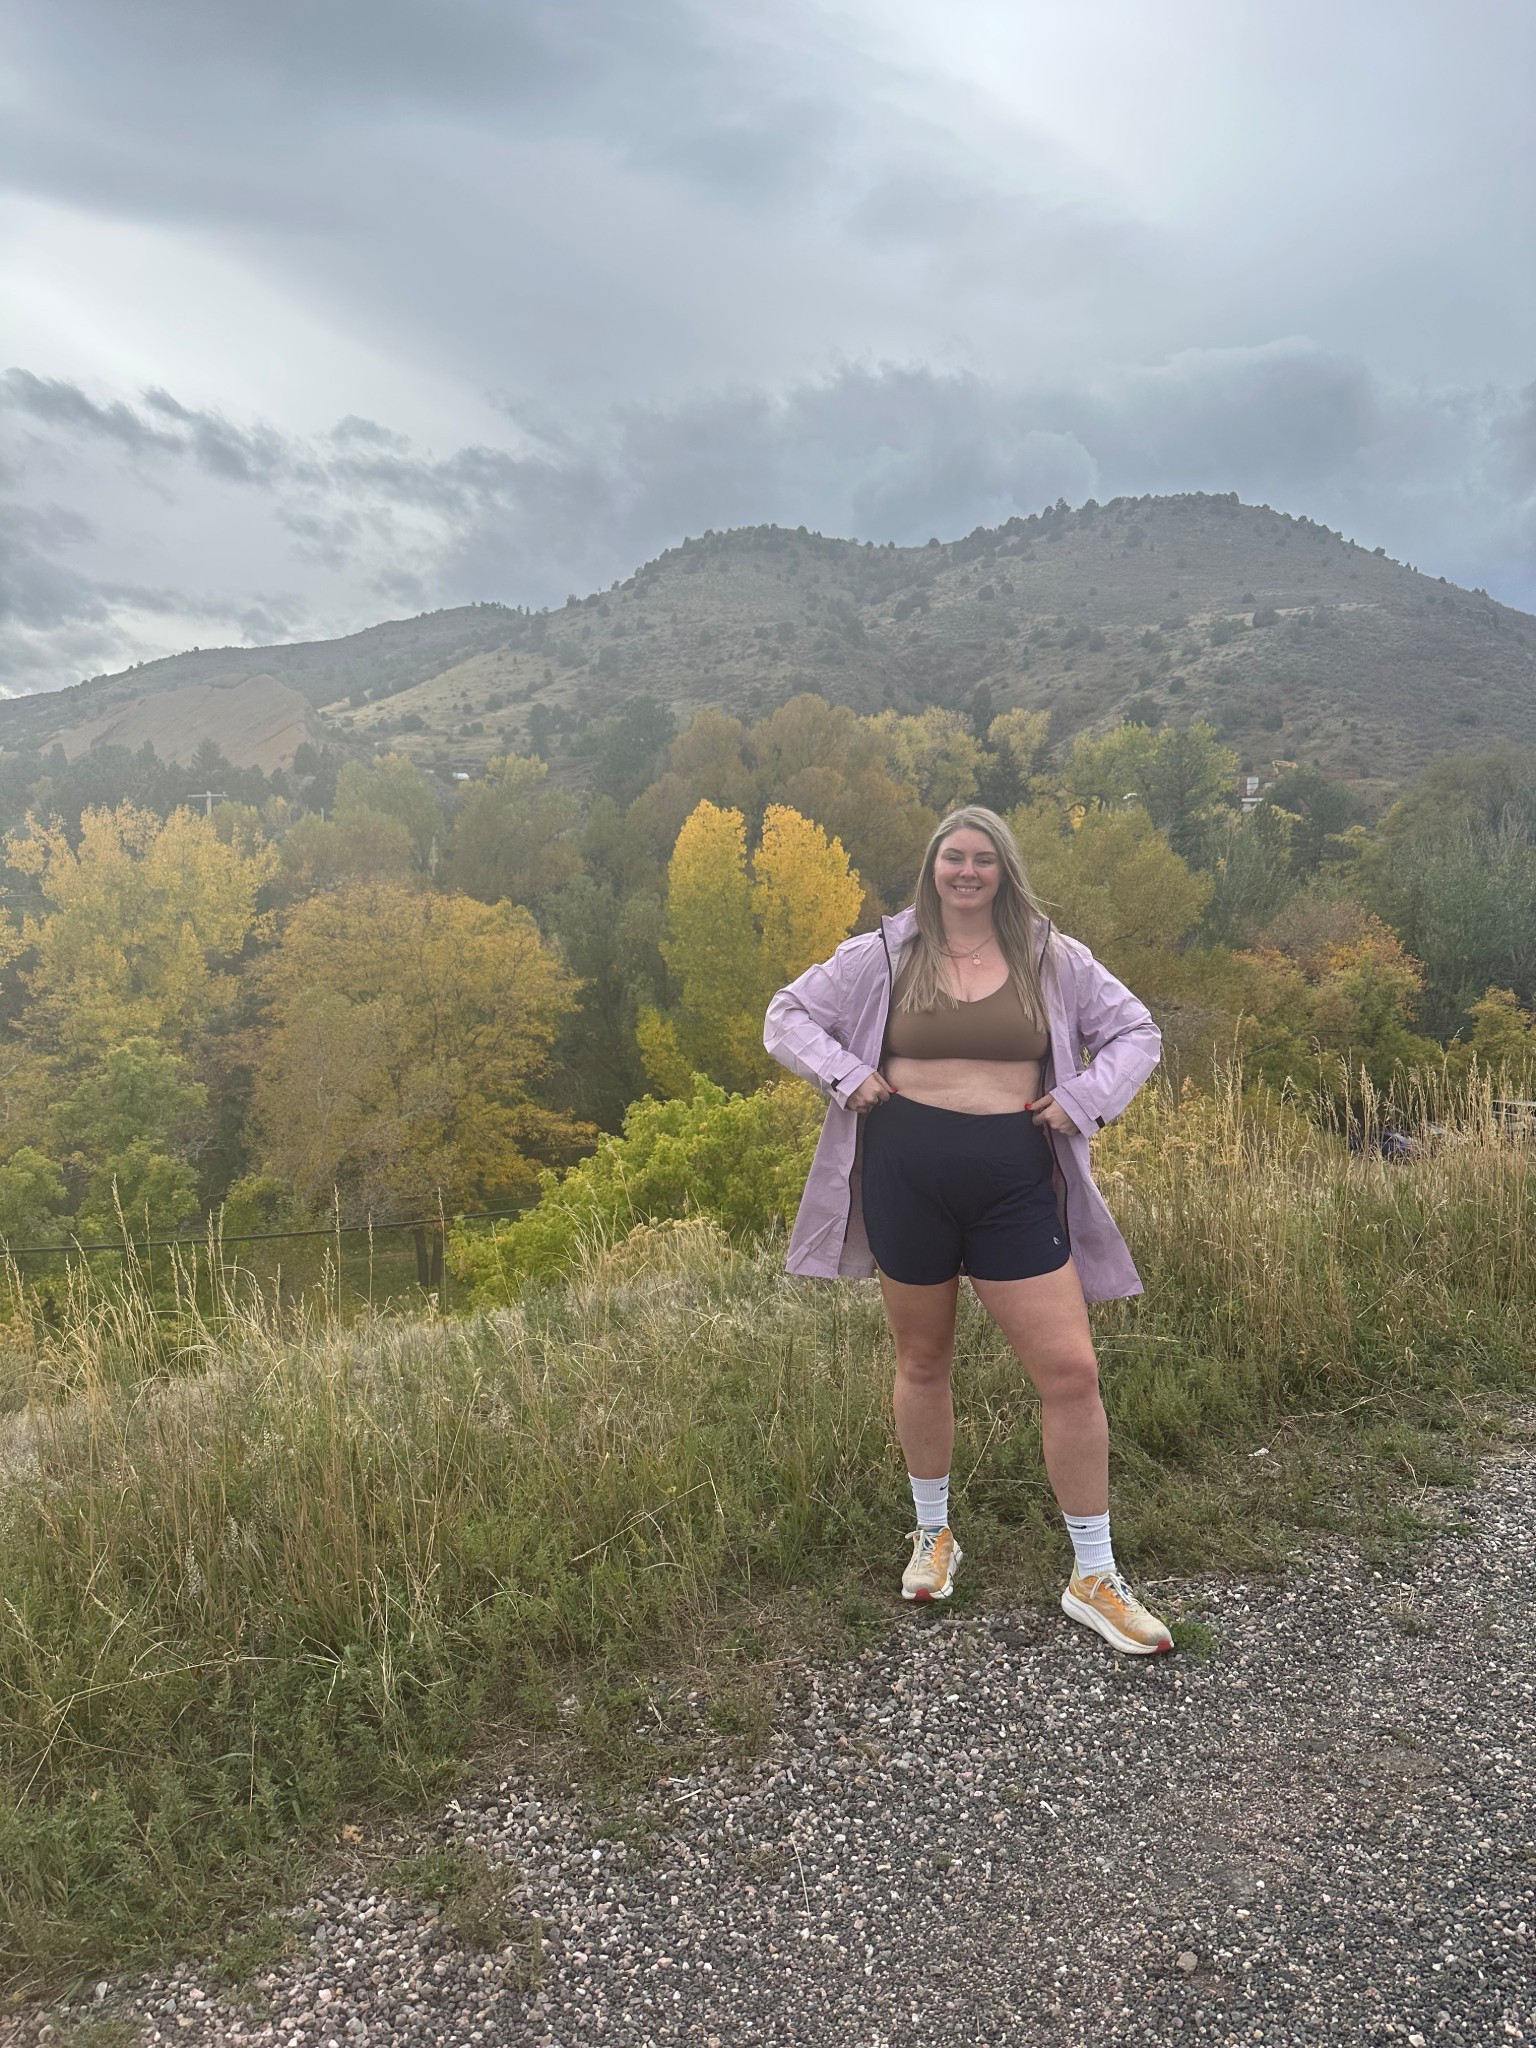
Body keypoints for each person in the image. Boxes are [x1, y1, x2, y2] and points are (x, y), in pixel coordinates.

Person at [763, 804, 1172, 1655]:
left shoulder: (1049, 955)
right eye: (954, 857)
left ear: (1004, 870)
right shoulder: (883, 952)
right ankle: (934, 1534)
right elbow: (787, 1017)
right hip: (905, 1172)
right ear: (933, 867)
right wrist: (847, 1074)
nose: (968, 872)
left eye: (984, 859)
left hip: (1014, 1177)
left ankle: (1093, 1574)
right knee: (922, 1360)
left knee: (1070, 1369)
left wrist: (1087, 1098)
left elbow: (1137, 1031)